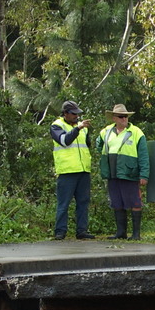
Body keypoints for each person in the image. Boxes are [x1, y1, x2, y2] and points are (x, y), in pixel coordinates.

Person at [96, 104, 150, 240]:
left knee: (134, 202)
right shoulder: (106, 132)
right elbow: (99, 145)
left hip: (130, 172)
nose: (124, 119)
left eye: (126, 116)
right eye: (121, 116)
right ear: (114, 118)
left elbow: (144, 156)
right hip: (112, 172)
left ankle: (136, 234)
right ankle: (121, 232)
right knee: (116, 202)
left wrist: (144, 174)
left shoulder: (137, 132)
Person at [50, 100, 95, 240]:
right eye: (74, 114)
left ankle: (82, 231)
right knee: (64, 203)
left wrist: (80, 128)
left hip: (83, 170)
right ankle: (60, 231)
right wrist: (78, 128)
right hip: (67, 171)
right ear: (65, 113)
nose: (77, 116)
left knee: (83, 202)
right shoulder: (57, 126)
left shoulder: (83, 128)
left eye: (78, 114)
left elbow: (87, 145)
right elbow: (64, 141)